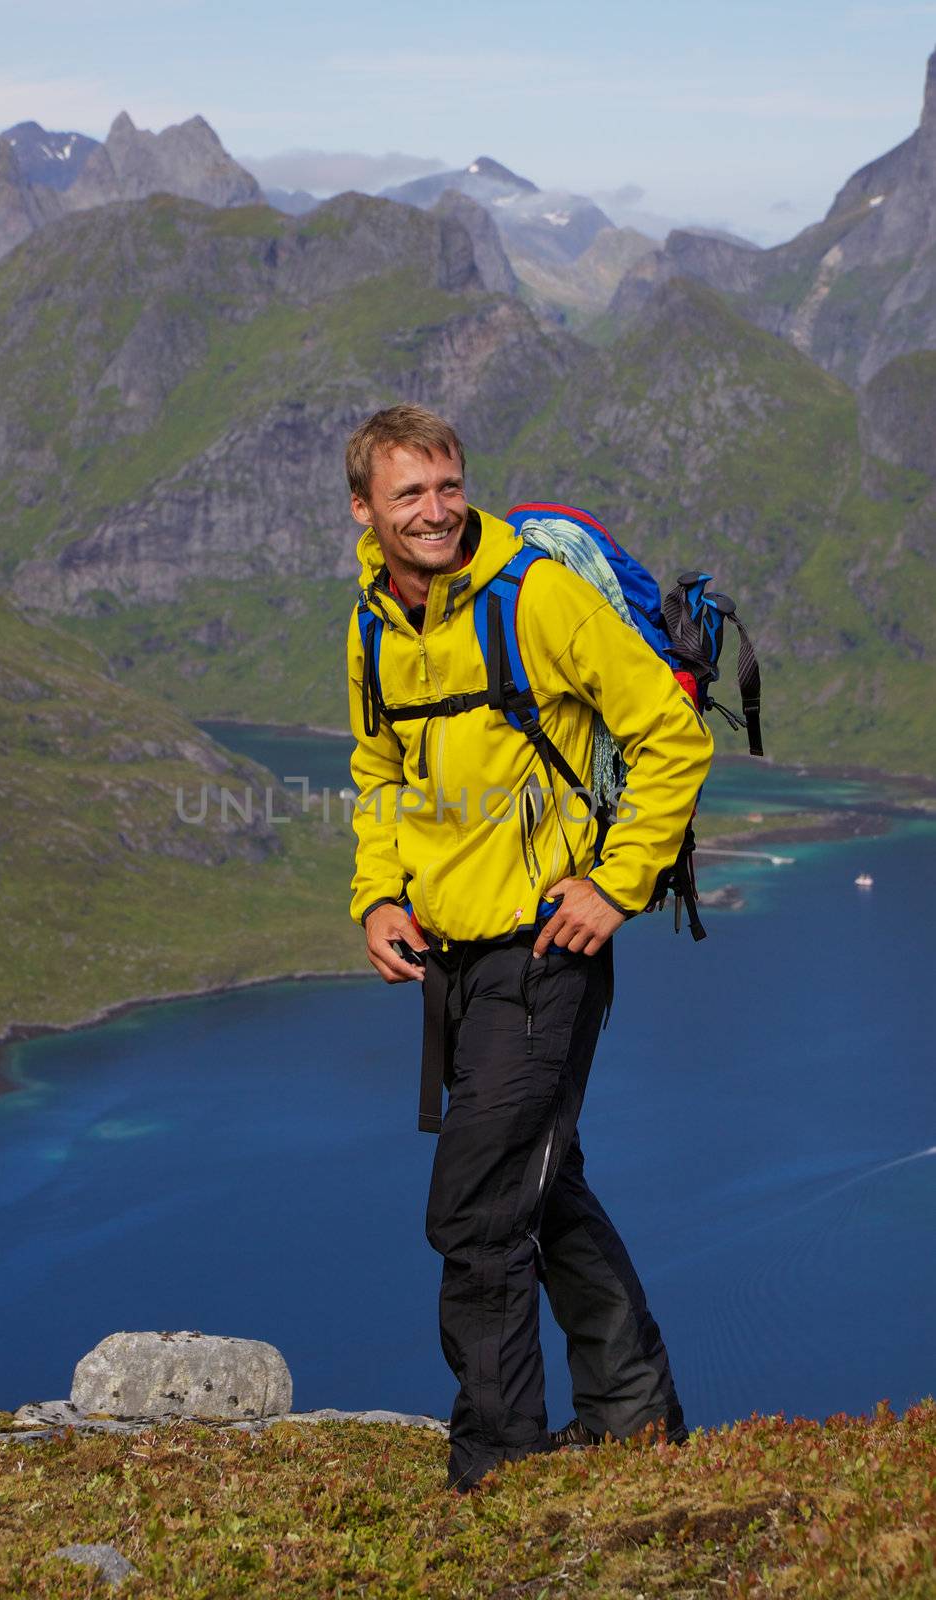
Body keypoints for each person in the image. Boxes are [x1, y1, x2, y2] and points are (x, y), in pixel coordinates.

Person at [344, 404, 714, 1493]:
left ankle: (495, 1466)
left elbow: (669, 734)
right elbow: (378, 773)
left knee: (471, 1207)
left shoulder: (530, 595)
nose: (434, 510)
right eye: (407, 492)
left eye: (447, 484)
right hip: (453, 962)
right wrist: (377, 897)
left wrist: (614, 883)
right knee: (537, 1185)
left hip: (547, 953)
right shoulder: (372, 620)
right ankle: (634, 1412)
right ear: (362, 509)